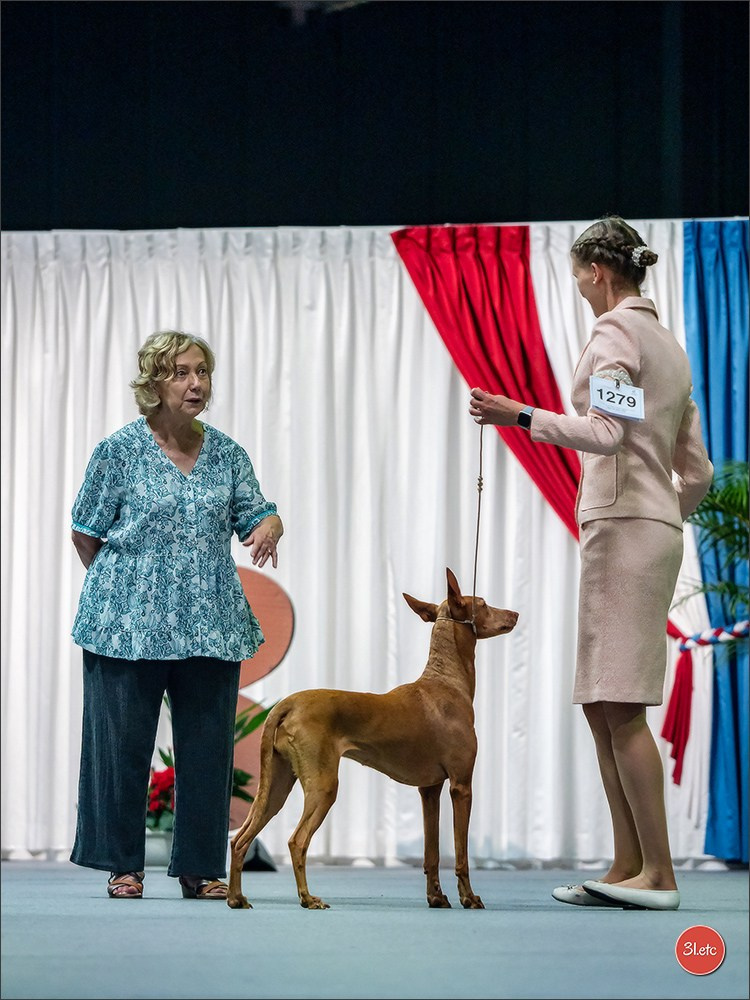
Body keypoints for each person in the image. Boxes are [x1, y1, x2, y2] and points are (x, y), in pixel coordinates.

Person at [469, 215, 713, 911]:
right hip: (647, 525)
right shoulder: (667, 344)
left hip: (623, 527)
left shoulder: (614, 332)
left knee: (620, 704)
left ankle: (659, 876)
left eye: (578, 273)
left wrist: (520, 415)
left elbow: (605, 435)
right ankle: (628, 865)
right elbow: (694, 469)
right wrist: (664, 512)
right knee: (604, 704)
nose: (576, 285)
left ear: (599, 272)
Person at [69, 330, 284, 899]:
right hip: (125, 625)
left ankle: (199, 868)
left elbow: (256, 513)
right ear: (154, 384)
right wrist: (128, 587)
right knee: (122, 750)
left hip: (210, 623)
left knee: (209, 749)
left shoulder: (227, 452)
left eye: (203, 373)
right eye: (182, 373)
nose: (196, 384)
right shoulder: (118, 451)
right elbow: (84, 530)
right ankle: (123, 866)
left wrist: (269, 523)